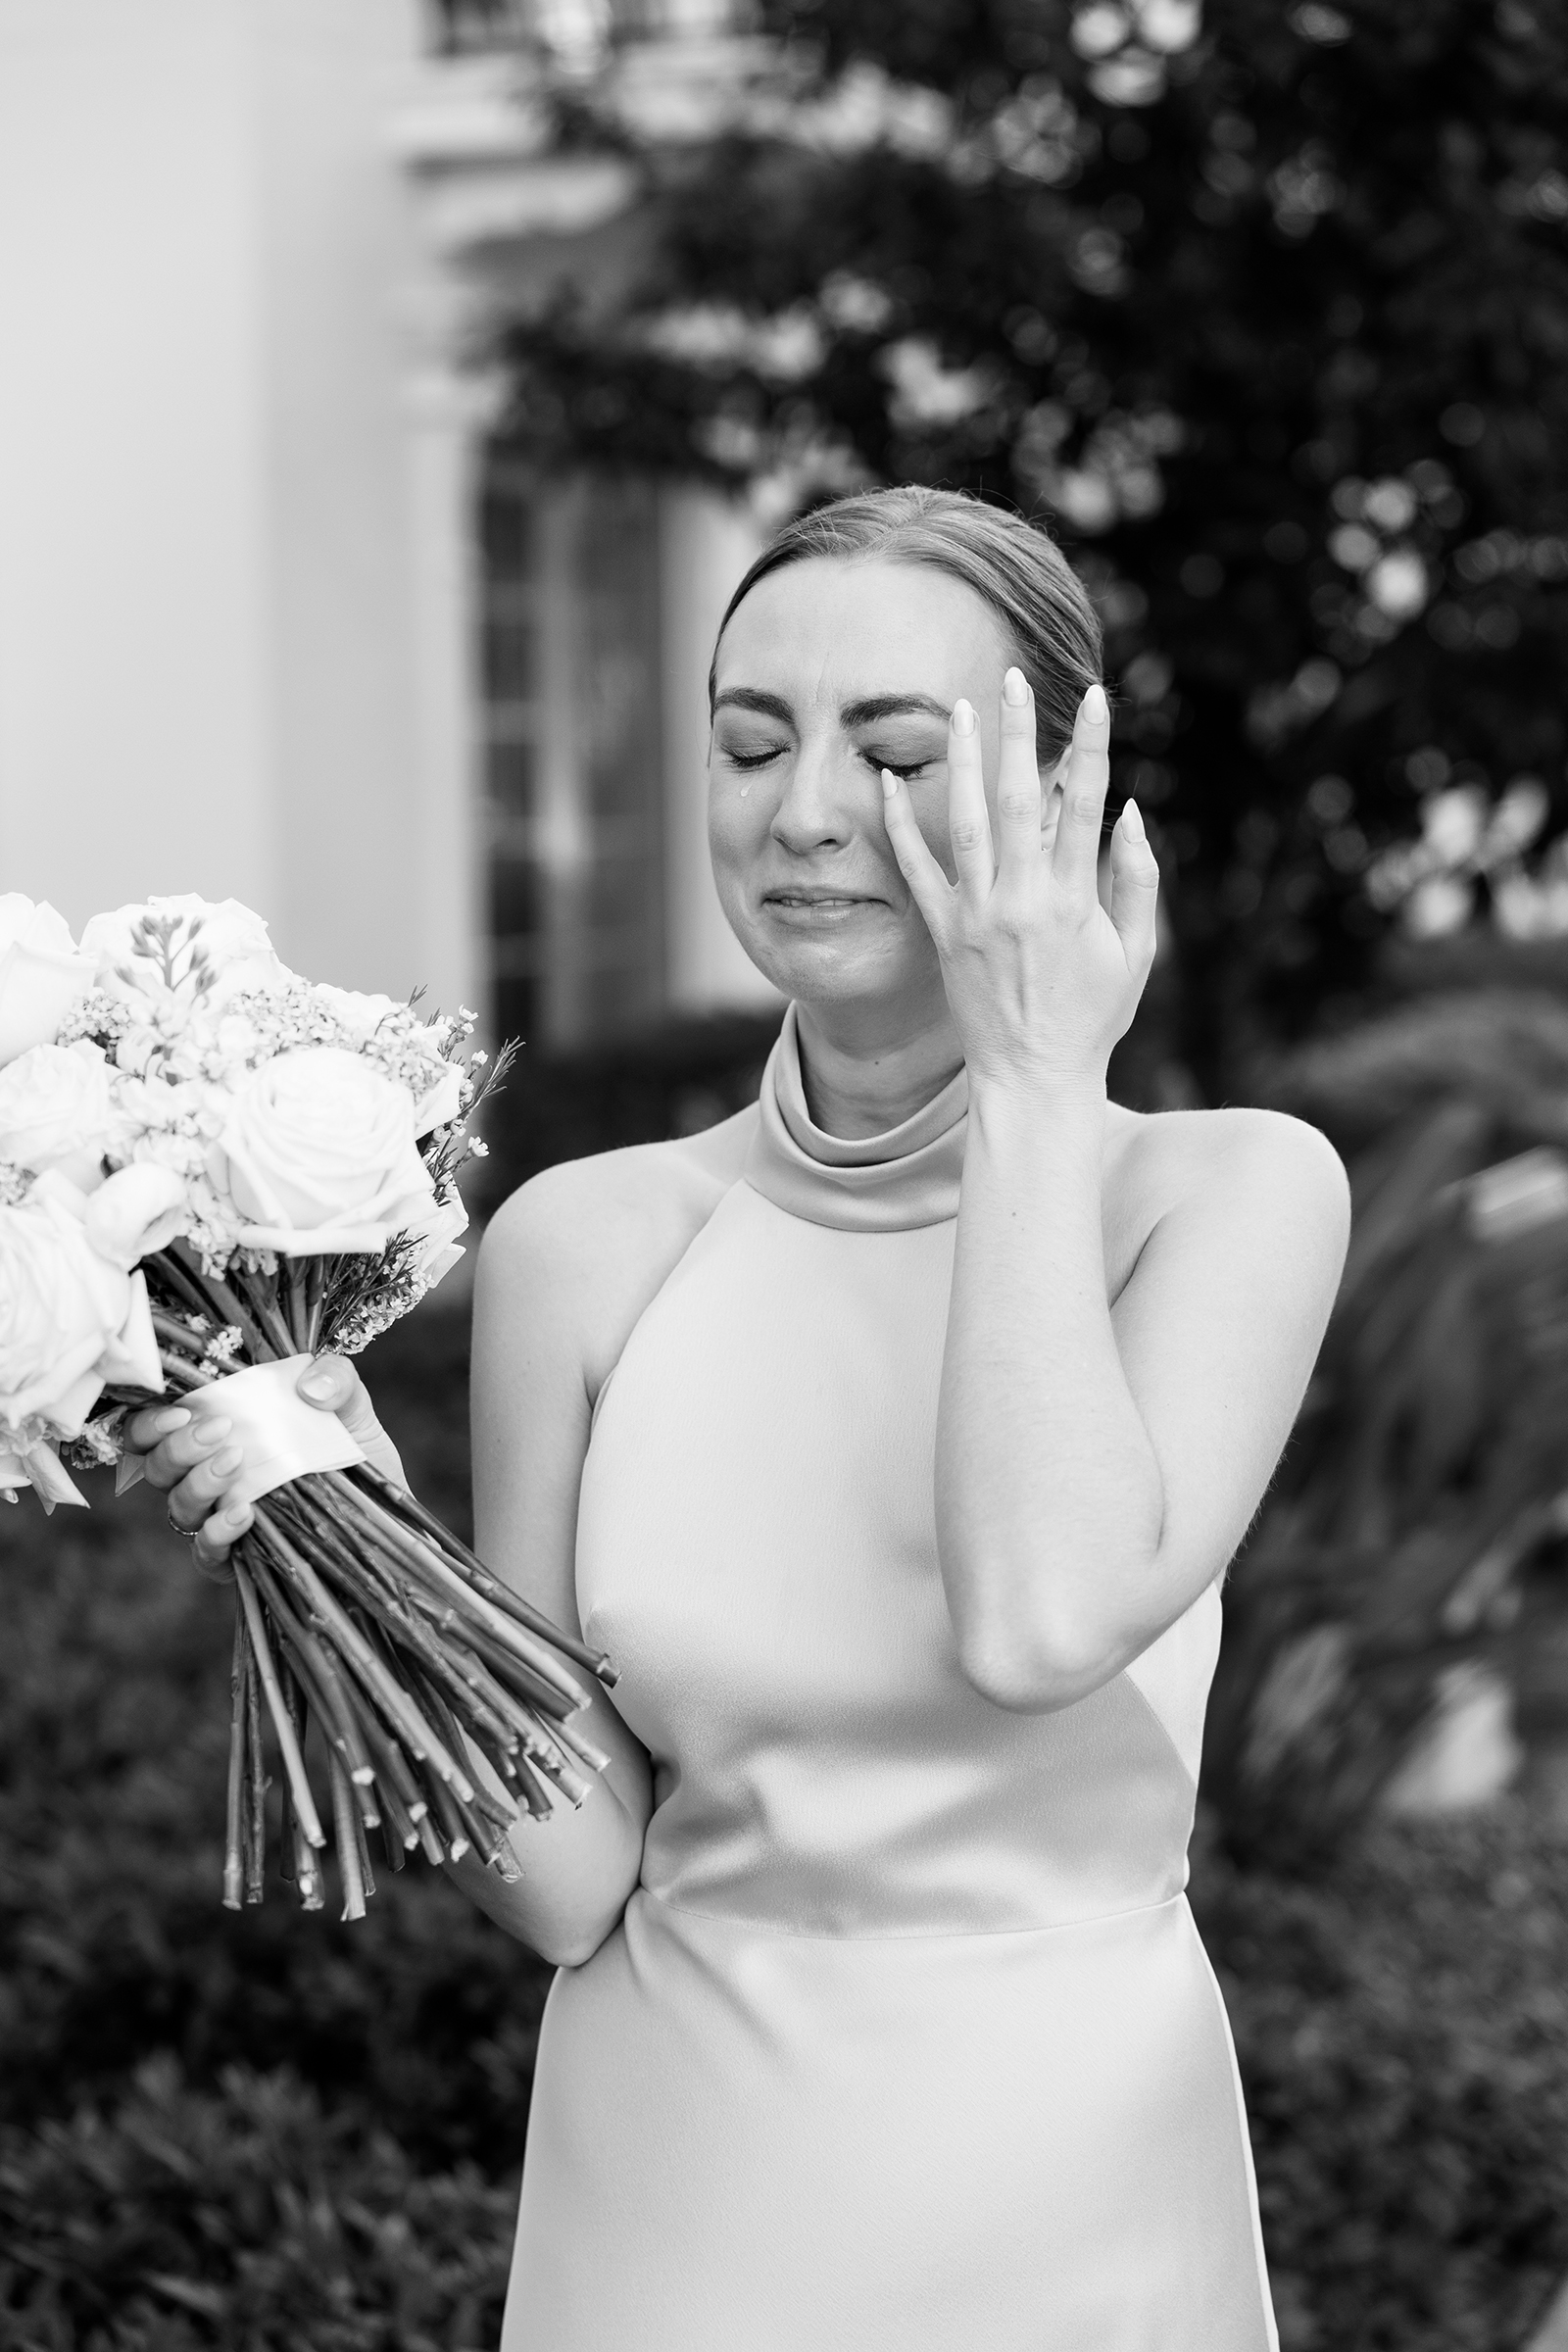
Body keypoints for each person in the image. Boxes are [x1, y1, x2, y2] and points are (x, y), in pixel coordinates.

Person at [125, 486, 1349, 2351]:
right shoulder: (584, 1240)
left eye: (898, 751)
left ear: (1062, 789)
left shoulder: (1227, 1194)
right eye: (750, 741)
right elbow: (570, 1887)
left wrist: (1035, 1078)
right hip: (667, 2205)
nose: (801, 813)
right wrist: (328, 1516)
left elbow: (1040, 1618)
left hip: (1065, 2192)